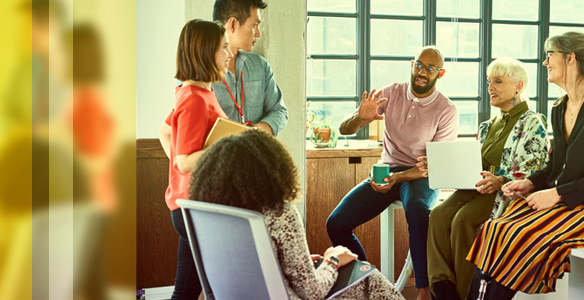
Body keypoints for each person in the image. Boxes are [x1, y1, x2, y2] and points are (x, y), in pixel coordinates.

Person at [465, 32, 584, 300]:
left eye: (549, 55)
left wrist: (555, 194)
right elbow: (557, 164)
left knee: (519, 232)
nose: (545, 62)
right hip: (568, 201)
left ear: (570, 58)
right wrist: (531, 183)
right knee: (495, 228)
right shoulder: (560, 108)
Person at [188, 130, 404, 300]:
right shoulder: (280, 214)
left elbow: (248, 267)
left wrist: (287, 265)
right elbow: (313, 293)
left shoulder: (214, 215)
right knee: (368, 277)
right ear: (273, 170)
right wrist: (333, 259)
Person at [328, 46, 459, 300]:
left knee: (419, 212)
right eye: (419, 65)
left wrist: (396, 178)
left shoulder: (446, 110)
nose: (422, 72)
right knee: (336, 223)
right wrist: (359, 116)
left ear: (439, 74)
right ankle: (366, 282)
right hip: (387, 170)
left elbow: (431, 166)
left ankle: (423, 290)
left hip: (421, 176)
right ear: (412, 65)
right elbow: (345, 129)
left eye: (430, 69)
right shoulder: (391, 93)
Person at [419, 58, 550, 300]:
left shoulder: (533, 122)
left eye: (498, 82)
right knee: (437, 214)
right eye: (489, 81)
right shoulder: (488, 125)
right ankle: (442, 286)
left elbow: (537, 167)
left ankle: (465, 292)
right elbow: (474, 164)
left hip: (506, 192)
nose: (490, 87)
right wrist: (439, 165)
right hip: (476, 187)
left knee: (463, 220)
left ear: (518, 86)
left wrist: (501, 180)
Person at [158, 19, 234, 300]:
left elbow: (165, 132)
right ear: (205, 52)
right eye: (224, 48)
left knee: (189, 289)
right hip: (195, 208)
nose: (229, 54)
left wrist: (182, 175)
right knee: (201, 289)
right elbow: (185, 161)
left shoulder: (197, 92)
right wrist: (228, 143)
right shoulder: (193, 99)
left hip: (190, 205)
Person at [211, 0, 287, 135]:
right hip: (219, 155)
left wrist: (259, 130)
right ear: (233, 24)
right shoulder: (199, 72)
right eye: (254, 25)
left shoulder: (260, 65)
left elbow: (279, 111)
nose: (258, 33)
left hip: (256, 153)